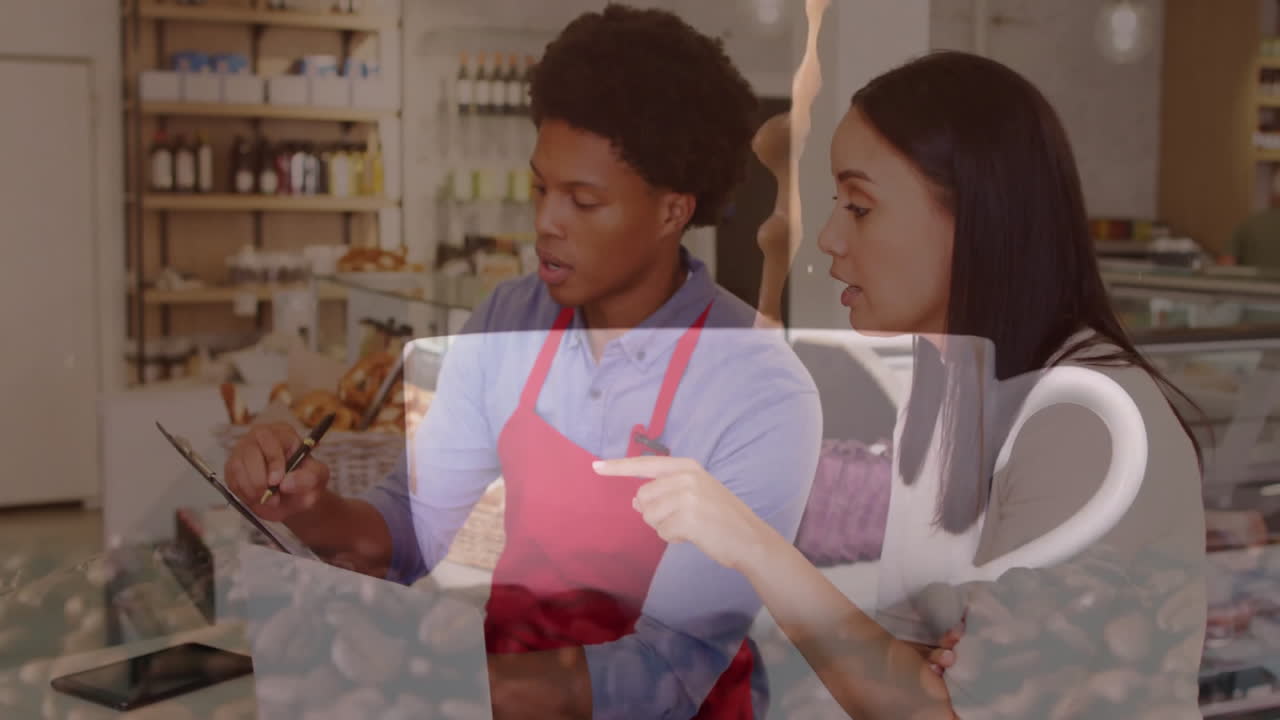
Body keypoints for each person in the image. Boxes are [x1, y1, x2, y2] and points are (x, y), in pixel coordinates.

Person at [225, 5, 822, 720]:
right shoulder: (510, 321)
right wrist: (311, 508)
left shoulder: (757, 386)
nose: (545, 222)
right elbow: (409, 528)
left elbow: (670, 667)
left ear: (672, 212)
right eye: (541, 187)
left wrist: (442, 686)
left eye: (583, 201)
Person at [597, 51, 1208, 718]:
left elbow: (946, 708)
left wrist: (751, 544)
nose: (828, 238)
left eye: (860, 207)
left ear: (978, 217)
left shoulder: (1085, 425)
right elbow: (908, 669)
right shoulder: (945, 396)